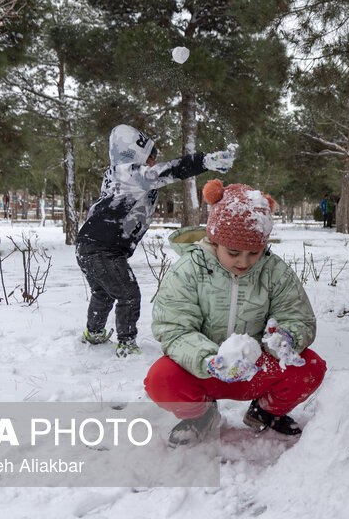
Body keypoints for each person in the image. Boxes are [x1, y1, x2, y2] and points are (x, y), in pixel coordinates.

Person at [144, 180, 326, 446]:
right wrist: (208, 359)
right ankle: (202, 416)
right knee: (161, 380)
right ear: (215, 241)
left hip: (255, 369)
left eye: (254, 253)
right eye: (233, 253)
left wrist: (285, 339)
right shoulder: (188, 270)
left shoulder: (275, 272)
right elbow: (174, 328)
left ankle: (264, 412)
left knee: (310, 368)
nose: (243, 261)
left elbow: (298, 317)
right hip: (204, 369)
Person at [76, 124, 234, 357]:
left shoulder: (117, 176)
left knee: (104, 292)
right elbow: (171, 170)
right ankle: (126, 344)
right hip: (102, 248)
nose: (153, 163)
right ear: (135, 154)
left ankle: (94, 333)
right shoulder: (130, 173)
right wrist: (204, 162)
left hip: (90, 245)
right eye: (150, 158)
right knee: (128, 295)